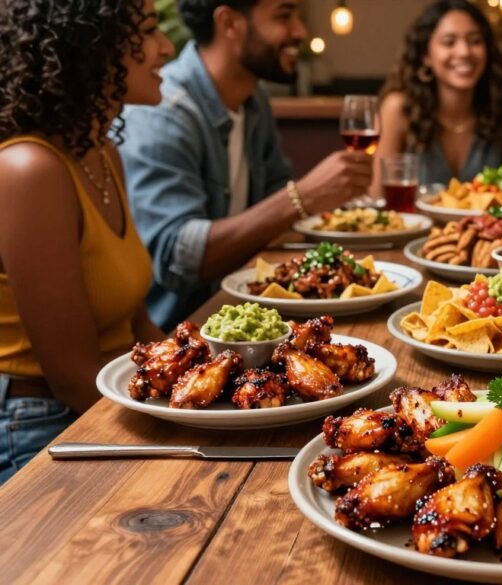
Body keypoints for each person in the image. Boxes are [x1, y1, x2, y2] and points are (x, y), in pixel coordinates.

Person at [0, 0, 174, 483]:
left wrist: (208, 375)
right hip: (42, 425)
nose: (166, 47)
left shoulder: (102, 153)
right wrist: (186, 416)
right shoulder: (29, 170)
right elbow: (73, 378)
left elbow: (138, 323)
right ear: (91, 48)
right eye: (147, 32)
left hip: (113, 397)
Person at [120, 0, 374, 330]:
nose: (300, 31)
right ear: (229, 23)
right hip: (181, 333)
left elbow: (277, 203)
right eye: (284, 15)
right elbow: (176, 258)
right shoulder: (164, 112)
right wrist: (302, 197)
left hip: (250, 316)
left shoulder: (253, 102)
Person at [374, 0, 502, 190]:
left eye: (475, 41)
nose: (464, 52)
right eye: (449, 42)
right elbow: (377, 196)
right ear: (426, 55)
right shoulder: (397, 108)